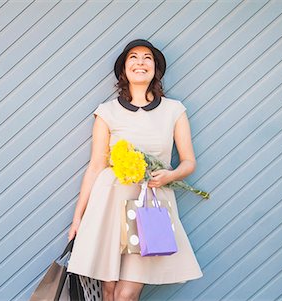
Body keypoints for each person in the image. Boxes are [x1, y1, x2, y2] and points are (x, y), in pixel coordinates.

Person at [66, 39, 203, 301]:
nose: (140, 62)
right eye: (133, 57)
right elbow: (96, 166)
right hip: (108, 204)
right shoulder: (107, 112)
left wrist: (170, 175)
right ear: (124, 70)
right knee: (108, 290)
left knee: (127, 294)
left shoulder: (174, 110)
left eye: (147, 58)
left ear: (155, 69)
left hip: (150, 207)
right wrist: (77, 218)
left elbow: (189, 162)